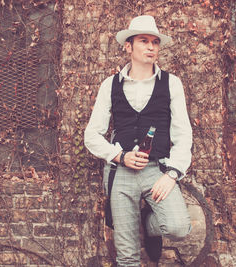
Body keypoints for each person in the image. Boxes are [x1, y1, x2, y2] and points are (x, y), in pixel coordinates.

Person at [84, 15, 192, 266]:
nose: (151, 46)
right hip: (120, 172)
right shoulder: (110, 85)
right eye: (144, 41)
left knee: (178, 227)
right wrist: (120, 156)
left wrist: (172, 174)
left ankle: (147, 221)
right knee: (127, 256)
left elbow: (183, 134)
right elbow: (91, 135)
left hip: (157, 170)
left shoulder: (171, 83)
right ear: (128, 46)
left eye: (155, 42)